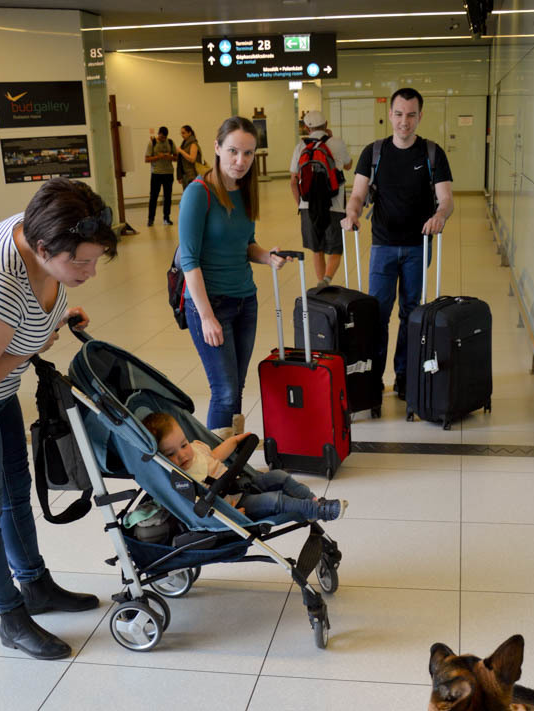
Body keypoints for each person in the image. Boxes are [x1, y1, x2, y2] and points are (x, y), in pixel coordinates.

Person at [0, 179, 117, 660]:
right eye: (81, 262)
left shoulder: (45, 226)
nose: (91, 271)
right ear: (41, 248)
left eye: (96, 259)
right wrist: (31, 346)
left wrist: (55, 316)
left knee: (16, 491)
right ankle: (10, 617)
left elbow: (32, 309)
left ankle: (34, 584)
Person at [178, 115, 289, 439]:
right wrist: (207, 316)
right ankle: (217, 470)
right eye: (233, 151)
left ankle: (232, 458)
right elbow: (189, 260)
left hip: (245, 301)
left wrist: (267, 257)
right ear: (216, 148)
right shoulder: (198, 193)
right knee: (224, 390)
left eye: (248, 154)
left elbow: (246, 244)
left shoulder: (245, 191)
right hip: (209, 305)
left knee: (237, 387)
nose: (240, 161)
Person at [342, 88, 455, 399]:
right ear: (390, 115)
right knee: (377, 314)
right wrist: (352, 213)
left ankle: (405, 377)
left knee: (411, 313)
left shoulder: (432, 153)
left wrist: (440, 216)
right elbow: (357, 195)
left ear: (420, 116)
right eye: (399, 114)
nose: (404, 121)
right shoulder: (374, 152)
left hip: (418, 247)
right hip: (382, 246)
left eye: (411, 115)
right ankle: (373, 379)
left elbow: (446, 199)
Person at [143, 413, 348, 522]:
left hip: (243, 483)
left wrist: (234, 441)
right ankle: (317, 510)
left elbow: (215, 455)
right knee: (275, 500)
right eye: (171, 454)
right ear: (161, 456)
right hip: (234, 503)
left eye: (183, 444)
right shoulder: (180, 480)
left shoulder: (196, 449)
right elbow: (193, 507)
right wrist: (228, 514)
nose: (182, 454)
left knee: (279, 476)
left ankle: (312, 500)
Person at [289, 110, 352, 285]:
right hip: (335, 205)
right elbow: (348, 165)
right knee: (335, 249)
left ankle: (321, 285)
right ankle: (326, 279)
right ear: (326, 125)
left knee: (317, 249)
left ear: (306, 127)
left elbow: (293, 180)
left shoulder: (300, 146)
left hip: (308, 205)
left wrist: (300, 205)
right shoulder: (337, 143)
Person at [145, 125, 177, 225]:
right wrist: (158, 157)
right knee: (153, 196)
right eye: (161, 137)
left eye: (164, 138)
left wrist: (169, 157)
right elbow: (146, 159)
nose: (163, 139)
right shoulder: (152, 143)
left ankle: (166, 218)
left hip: (168, 173)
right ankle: (151, 219)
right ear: (158, 134)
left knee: (168, 197)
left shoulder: (170, 142)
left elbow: (176, 158)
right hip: (156, 173)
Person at [176, 124, 203, 189]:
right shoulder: (184, 144)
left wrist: (181, 151)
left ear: (189, 133)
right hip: (186, 174)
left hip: (192, 175)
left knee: (192, 196)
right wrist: (179, 175)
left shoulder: (193, 144)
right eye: (181, 133)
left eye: (183, 133)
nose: (182, 135)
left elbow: (192, 159)